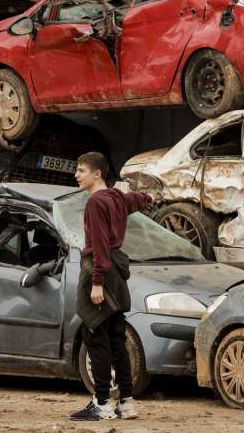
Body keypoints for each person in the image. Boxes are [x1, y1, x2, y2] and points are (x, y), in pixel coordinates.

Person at [70, 151, 154, 421]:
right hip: (118, 275)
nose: (76, 175)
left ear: (97, 174)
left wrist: (96, 283)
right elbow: (135, 200)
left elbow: (101, 245)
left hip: (102, 272)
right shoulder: (117, 197)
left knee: (95, 336)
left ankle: (103, 402)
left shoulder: (96, 202)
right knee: (116, 339)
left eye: (81, 170)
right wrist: (149, 198)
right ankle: (126, 402)